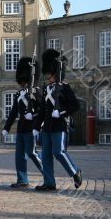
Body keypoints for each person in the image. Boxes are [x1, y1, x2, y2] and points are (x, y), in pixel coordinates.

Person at [35, 49, 82, 191]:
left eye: (48, 73)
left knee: (59, 152)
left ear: (54, 72)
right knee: (46, 156)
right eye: (46, 73)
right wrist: (36, 127)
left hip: (59, 126)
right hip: (47, 127)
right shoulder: (45, 89)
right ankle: (49, 182)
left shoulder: (64, 87)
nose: (46, 76)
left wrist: (61, 112)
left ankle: (75, 171)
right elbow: (43, 111)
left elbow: (75, 105)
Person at [2, 57, 43, 188]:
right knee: (19, 155)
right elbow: (14, 112)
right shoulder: (19, 94)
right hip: (21, 128)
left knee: (32, 153)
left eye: (25, 80)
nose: (23, 83)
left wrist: (34, 115)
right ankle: (22, 179)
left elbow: (43, 109)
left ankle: (47, 173)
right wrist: (6, 128)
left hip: (32, 127)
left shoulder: (37, 91)